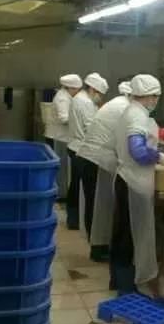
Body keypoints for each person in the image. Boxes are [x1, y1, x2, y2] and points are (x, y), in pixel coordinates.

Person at [111, 74, 164, 294]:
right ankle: (127, 287)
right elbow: (137, 152)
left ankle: (118, 280)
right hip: (134, 183)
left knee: (122, 233)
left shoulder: (131, 111)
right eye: (155, 96)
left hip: (125, 178)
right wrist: (160, 157)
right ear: (148, 96)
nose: (156, 100)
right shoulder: (137, 115)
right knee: (131, 236)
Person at [76, 81, 131, 262]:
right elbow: (130, 136)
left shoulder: (117, 103)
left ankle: (98, 245)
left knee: (95, 204)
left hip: (90, 157)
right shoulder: (124, 108)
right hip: (94, 159)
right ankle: (98, 249)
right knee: (97, 205)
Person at [66, 73, 109, 231]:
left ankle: (73, 219)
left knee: (75, 186)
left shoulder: (80, 99)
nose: (100, 97)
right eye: (99, 94)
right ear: (92, 89)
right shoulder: (85, 102)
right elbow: (92, 128)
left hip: (75, 146)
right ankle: (80, 222)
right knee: (84, 190)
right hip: (81, 149)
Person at [44, 74, 82, 148]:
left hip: (61, 137)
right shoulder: (62, 99)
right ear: (70, 88)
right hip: (56, 138)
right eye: (77, 89)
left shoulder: (67, 96)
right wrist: (79, 120)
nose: (77, 92)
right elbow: (64, 119)